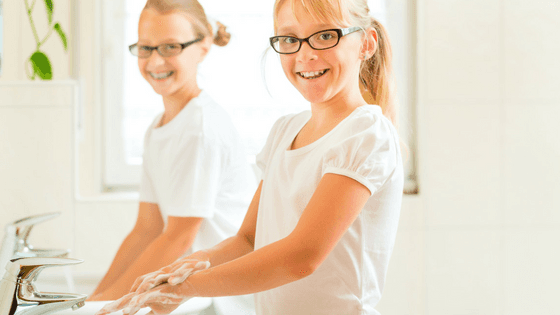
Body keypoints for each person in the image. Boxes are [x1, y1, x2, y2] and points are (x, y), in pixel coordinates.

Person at [96, 0, 403, 313]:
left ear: (366, 43)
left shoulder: (366, 133)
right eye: (289, 39)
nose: (305, 54)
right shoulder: (285, 130)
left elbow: (301, 258)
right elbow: (246, 239)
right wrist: (179, 270)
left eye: (325, 36)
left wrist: (187, 287)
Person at [89, 0, 256, 313]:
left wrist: (111, 303)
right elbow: (146, 230)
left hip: (223, 301)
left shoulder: (200, 128)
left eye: (170, 47)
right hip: (193, 294)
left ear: (203, 47)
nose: (155, 61)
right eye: (145, 47)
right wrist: (93, 300)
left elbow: (178, 237)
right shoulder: (159, 128)